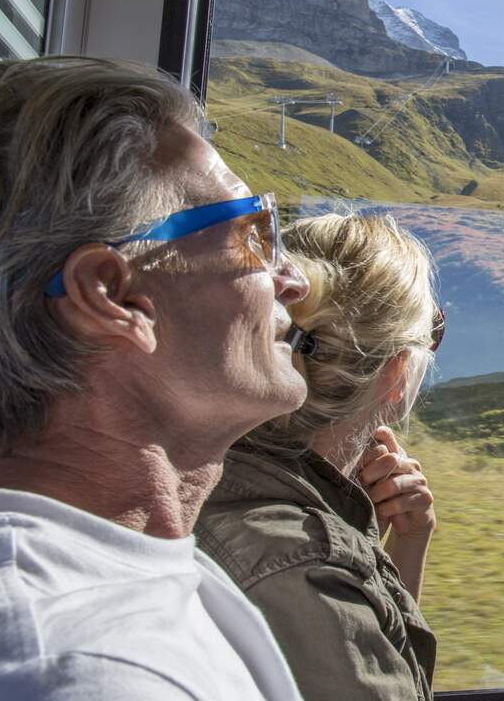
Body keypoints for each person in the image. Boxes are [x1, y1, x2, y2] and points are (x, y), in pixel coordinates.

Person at [0, 57, 310, 699]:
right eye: (257, 233)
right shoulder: (74, 668)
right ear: (114, 298)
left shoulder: (129, 566)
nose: (294, 280)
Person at [196, 212, 442, 701]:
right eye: (428, 337)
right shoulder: (308, 569)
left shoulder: (205, 470)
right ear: (395, 375)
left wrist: (403, 546)